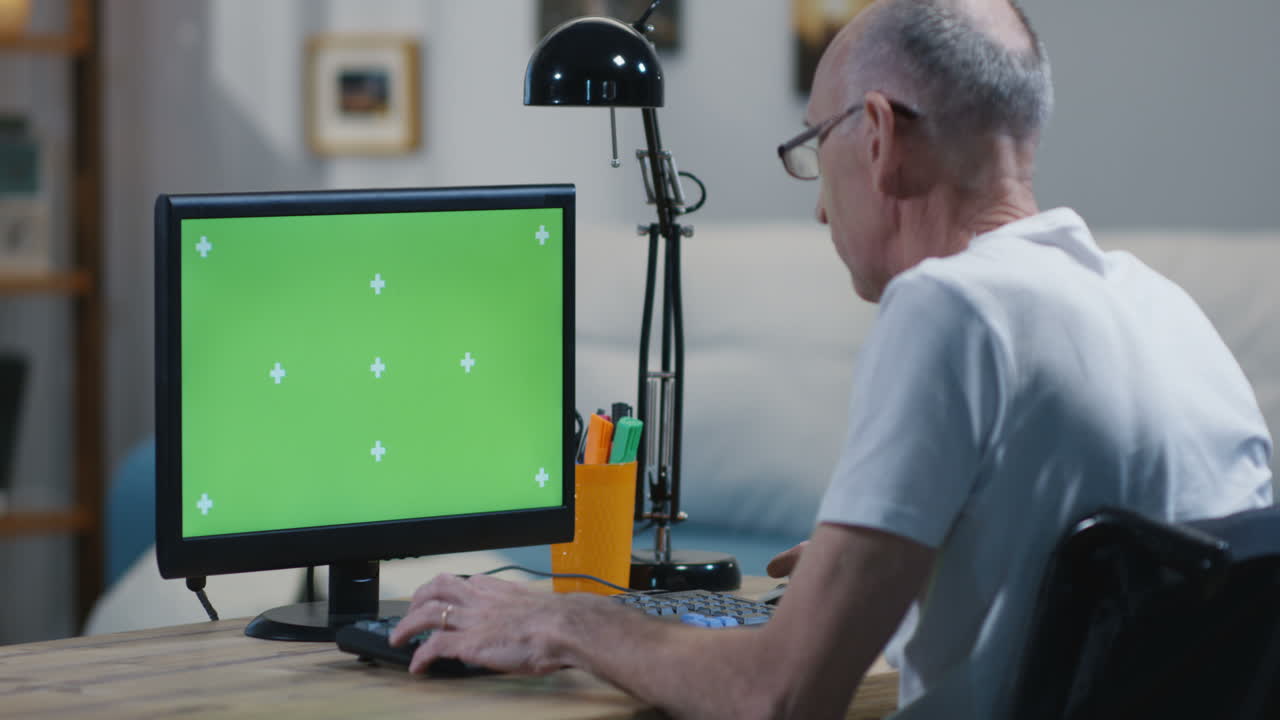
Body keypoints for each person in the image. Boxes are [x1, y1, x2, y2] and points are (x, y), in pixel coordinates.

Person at [391, 0, 1274, 717]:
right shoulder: (1165, 309)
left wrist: (566, 622)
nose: (819, 209)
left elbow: (779, 694)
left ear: (881, 135)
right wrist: (919, 559)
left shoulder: (947, 306)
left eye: (815, 149)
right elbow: (1106, 599)